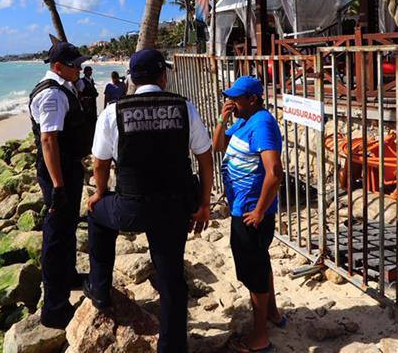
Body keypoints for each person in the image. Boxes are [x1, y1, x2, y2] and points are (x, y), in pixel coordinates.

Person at [86, 48, 213, 353]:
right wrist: (204, 203)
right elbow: (205, 158)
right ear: (163, 76)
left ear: (131, 78)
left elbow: (100, 162)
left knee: (95, 215)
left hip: (131, 208)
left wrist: (101, 192)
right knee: (171, 279)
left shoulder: (113, 112)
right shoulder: (184, 108)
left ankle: (100, 289)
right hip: (174, 207)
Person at [213, 76, 285, 353]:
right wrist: (222, 118)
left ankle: (260, 338)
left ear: (252, 99)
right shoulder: (243, 121)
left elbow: (274, 172)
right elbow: (218, 146)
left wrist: (258, 211)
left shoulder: (262, 123)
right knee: (260, 262)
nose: (231, 102)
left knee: (253, 273)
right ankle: (273, 314)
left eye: (236, 98)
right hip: (242, 208)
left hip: (250, 212)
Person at [28, 41, 92, 328]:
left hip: (64, 168)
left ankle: (68, 276)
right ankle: (54, 307)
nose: (79, 68)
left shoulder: (62, 87)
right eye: (74, 65)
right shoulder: (53, 94)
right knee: (55, 234)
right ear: (57, 67)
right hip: (59, 171)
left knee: (66, 230)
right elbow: (48, 140)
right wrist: (58, 187)